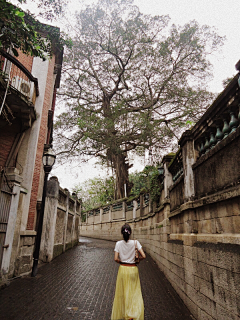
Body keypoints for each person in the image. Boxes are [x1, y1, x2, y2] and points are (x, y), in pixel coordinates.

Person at [111, 223, 146, 320]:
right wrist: (137, 260)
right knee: (134, 292)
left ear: (122, 233)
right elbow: (143, 256)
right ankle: (133, 314)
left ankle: (125, 312)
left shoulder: (118, 244)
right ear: (130, 233)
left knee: (123, 292)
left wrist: (122, 262)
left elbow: (115, 258)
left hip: (123, 269)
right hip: (133, 269)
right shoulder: (135, 243)